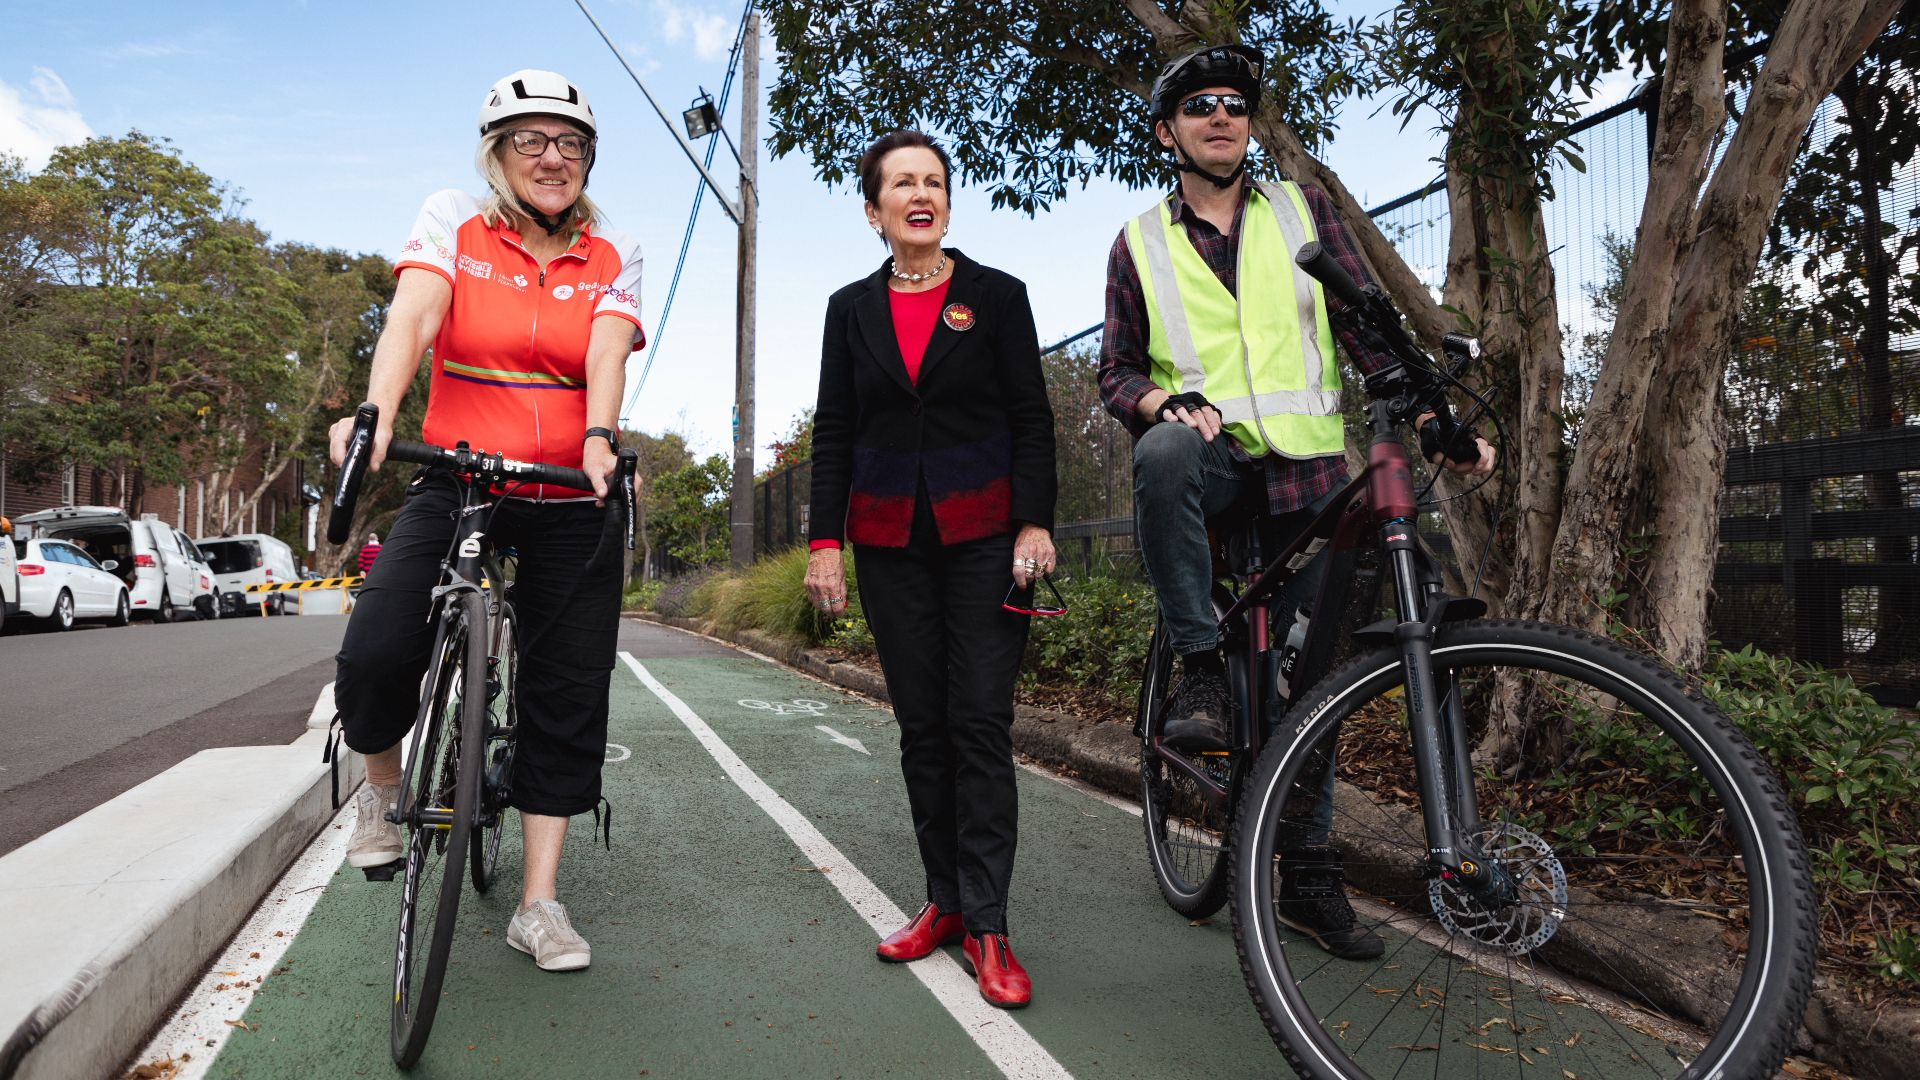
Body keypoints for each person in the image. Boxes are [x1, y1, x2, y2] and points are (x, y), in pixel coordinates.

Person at [1098, 45, 1493, 960]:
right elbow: (1116, 372)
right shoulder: (1138, 243)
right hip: (1215, 467)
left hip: (1310, 475)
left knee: (1318, 684)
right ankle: (1199, 663)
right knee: (1161, 451)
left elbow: (1364, 324)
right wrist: (1166, 403)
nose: (1221, 116)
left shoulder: (1298, 208)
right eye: (1199, 106)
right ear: (1169, 132)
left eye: (1235, 103)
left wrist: (1432, 415)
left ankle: (1309, 877)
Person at [327, 69, 643, 973]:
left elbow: (608, 349)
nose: (554, 158)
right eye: (531, 140)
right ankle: (382, 794)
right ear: (496, 153)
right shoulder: (453, 217)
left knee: (570, 692)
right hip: (459, 480)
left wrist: (598, 435)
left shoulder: (615, 249)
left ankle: (538, 904)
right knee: (378, 646)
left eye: (571, 143)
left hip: (566, 489)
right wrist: (380, 411)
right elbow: (415, 313)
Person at [803, 130, 1057, 1009]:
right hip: (885, 538)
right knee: (923, 726)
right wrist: (823, 541)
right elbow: (833, 429)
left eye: (936, 182)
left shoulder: (996, 296)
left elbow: (1031, 415)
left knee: (980, 721)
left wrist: (1033, 521)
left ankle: (989, 923)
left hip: (985, 532)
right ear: (873, 210)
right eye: (902, 183)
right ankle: (943, 901)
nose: (922, 194)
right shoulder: (848, 309)